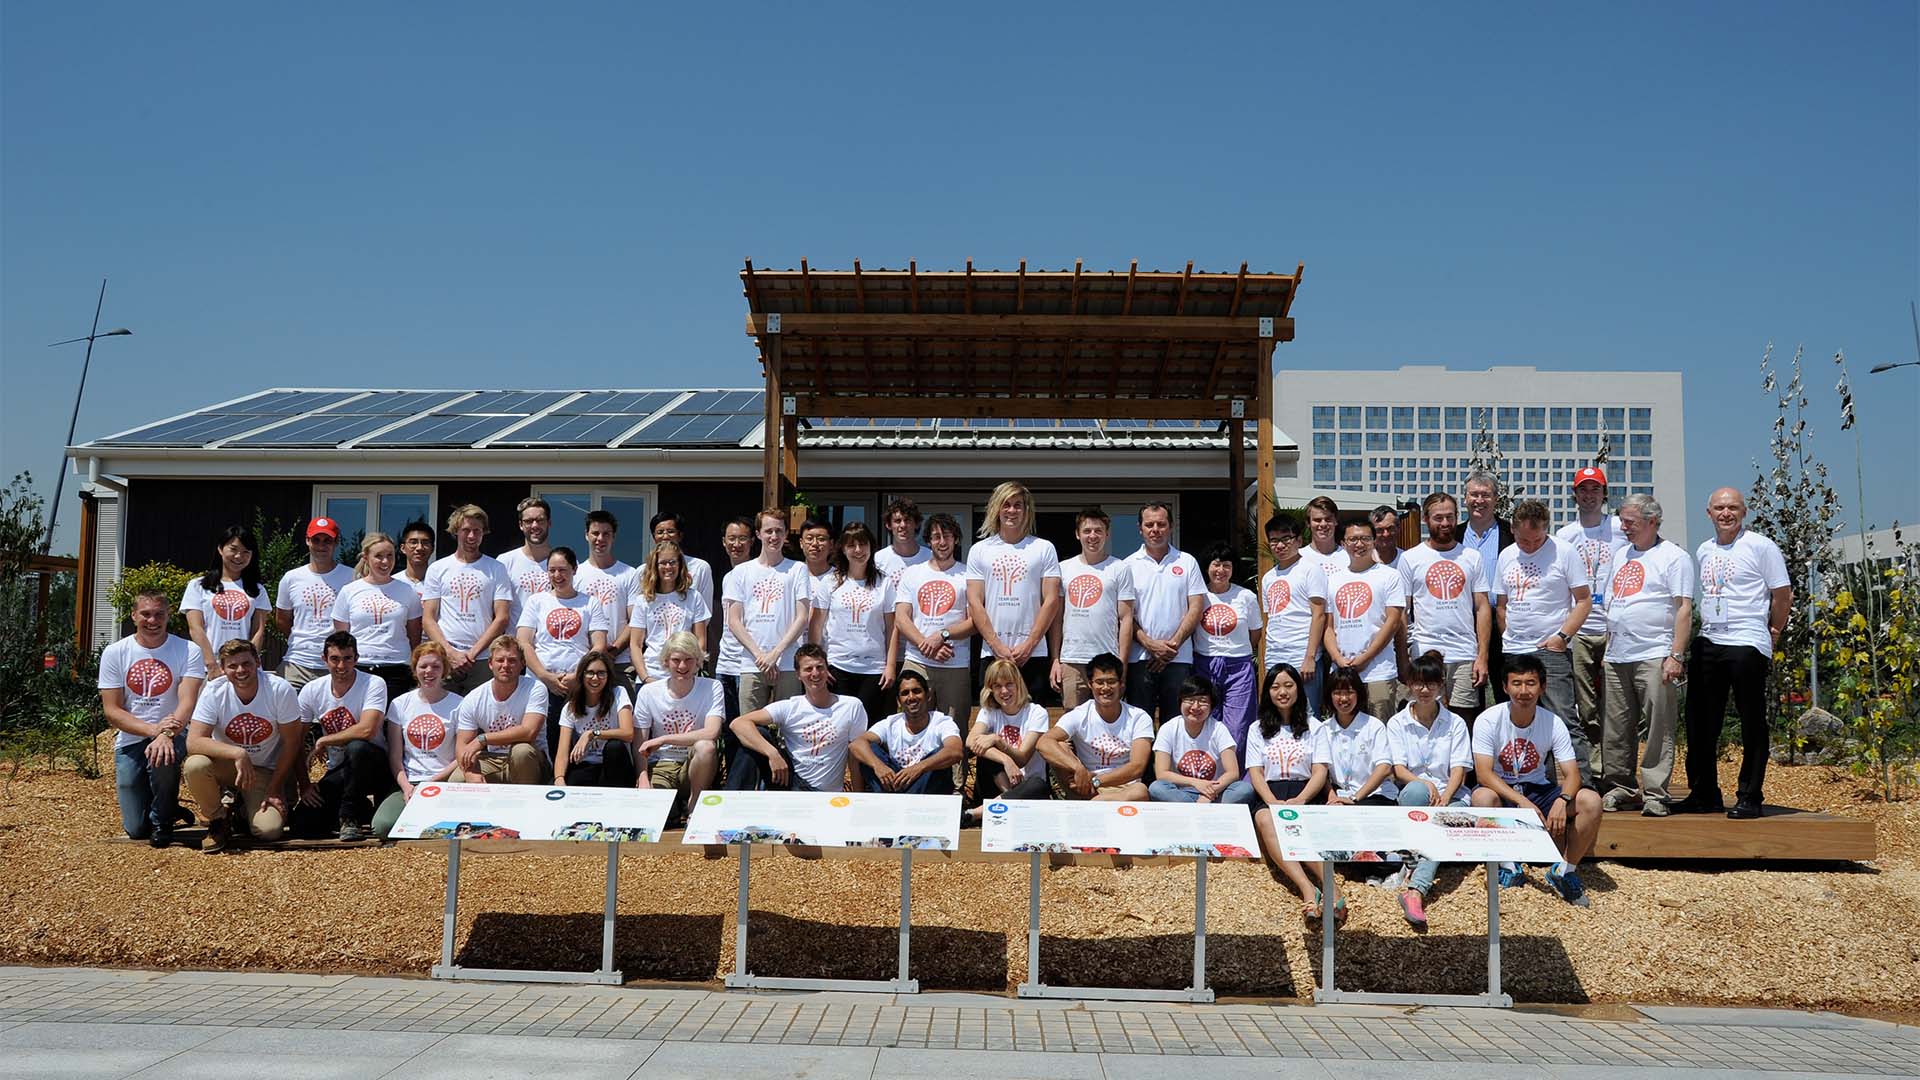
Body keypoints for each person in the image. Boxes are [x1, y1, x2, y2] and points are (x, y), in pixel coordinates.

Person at [1679, 486, 1792, 818]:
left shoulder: (1760, 546)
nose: (1725, 513)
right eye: (1719, 508)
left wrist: (1773, 630)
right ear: (1709, 513)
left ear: (1744, 512)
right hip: (1710, 638)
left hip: (1747, 640)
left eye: (1732, 508)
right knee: (1700, 721)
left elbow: (1782, 593)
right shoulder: (1703, 550)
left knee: (1751, 720)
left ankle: (1750, 795)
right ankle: (1704, 792)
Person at [1471, 653, 1603, 905]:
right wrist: (1521, 801)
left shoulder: (1553, 722)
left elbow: (1572, 773)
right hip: (1503, 789)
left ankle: (1564, 870)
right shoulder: (1488, 720)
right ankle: (1508, 864)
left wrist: (1562, 799)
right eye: (1517, 683)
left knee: (1591, 801)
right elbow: (1484, 773)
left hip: (1539, 789)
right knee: (1481, 796)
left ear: (1542, 687)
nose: (1523, 690)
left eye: (1531, 683)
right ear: (1505, 687)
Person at [1599, 494, 1694, 817]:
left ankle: (1655, 792)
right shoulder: (1621, 555)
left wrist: (1676, 655)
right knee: (1616, 726)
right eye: (1623, 521)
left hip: (1654, 653)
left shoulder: (1673, 557)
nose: (1623, 527)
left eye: (1630, 522)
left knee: (1658, 726)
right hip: (1617, 654)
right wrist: (1608, 647)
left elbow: (1684, 609)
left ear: (1653, 521)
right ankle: (1621, 786)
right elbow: (1612, 604)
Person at [1494, 499, 1595, 785]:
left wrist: (1562, 637)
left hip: (1550, 649)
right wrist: (1507, 634)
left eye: (1537, 539)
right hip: (1514, 649)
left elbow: (1584, 600)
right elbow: (1501, 603)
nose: (1529, 545)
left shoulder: (1564, 552)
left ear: (1546, 530)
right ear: (1512, 530)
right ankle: (1539, 784)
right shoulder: (1506, 556)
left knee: (1563, 717)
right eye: (1524, 539)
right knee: (1522, 720)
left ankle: (1583, 787)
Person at [100, 587, 206, 846]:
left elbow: (188, 701)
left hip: (175, 732)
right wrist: (153, 730)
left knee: (162, 756)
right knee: (136, 829)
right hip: (133, 736)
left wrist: (167, 734)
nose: (152, 620)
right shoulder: (115, 652)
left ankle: (163, 822)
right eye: (145, 614)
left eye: (159, 614)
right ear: (134, 616)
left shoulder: (187, 650)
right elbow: (112, 711)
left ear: (168, 615)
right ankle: (168, 807)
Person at [184, 640, 302, 852]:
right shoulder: (213, 691)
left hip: (264, 770)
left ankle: (239, 810)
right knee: (195, 765)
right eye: (232, 666)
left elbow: (292, 742)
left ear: (257, 662)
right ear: (223, 668)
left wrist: (275, 788)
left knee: (269, 831)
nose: (240, 670)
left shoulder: (279, 690)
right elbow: (193, 742)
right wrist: (237, 753)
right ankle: (217, 820)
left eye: (246, 663)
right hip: (229, 767)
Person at [1387, 650, 1474, 926]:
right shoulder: (1398, 722)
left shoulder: (1455, 723)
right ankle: (1418, 863)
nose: (1424, 690)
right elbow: (1398, 770)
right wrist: (1423, 783)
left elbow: (1459, 769)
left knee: (1445, 820)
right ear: (1410, 685)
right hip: (1415, 792)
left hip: (1451, 795)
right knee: (1415, 793)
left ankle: (1416, 889)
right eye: (1419, 683)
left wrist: (1445, 798)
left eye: (1431, 684)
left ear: (1440, 686)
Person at [1246, 664, 1334, 919]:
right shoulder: (1257, 728)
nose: (1282, 692)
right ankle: (1307, 888)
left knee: (1300, 825)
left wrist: (1301, 799)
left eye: (1288, 685)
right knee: (1265, 818)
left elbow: (1320, 771)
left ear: (1298, 688)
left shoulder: (1315, 726)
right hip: (1271, 792)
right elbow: (1255, 772)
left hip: (1306, 791)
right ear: (1267, 693)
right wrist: (1273, 802)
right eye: (1275, 687)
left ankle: (1332, 888)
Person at [1557, 467, 1628, 777]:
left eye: (1595, 490)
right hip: (1581, 630)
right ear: (1575, 495)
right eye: (1583, 490)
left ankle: (1618, 770)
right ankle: (1595, 768)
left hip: (1614, 627)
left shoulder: (1620, 528)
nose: (1589, 496)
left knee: (1616, 705)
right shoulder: (1564, 535)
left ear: (1604, 494)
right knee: (1585, 706)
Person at [966, 481, 1063, 704]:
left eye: (1018, 505)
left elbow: (1051, 601)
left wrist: (1029, 644)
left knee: (1033, 722)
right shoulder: (980, 550)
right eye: (1006, 504)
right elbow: (974, 602)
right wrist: (996, 645)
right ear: (996, 509)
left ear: (1026, 510)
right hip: (992, 654)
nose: (1012, 510)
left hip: (1033, 654)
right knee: (992, 721)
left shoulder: (1043, 548)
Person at [1399, 493, 1491, 720]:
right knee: (1424, 716)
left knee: (1464, 718)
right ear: (1425, 519)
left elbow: (1482, 607)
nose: (1445, 523)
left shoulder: (1472, 557)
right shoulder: (1411, 558)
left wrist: (1482, 656)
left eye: (1450, 517)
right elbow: (1402, 612)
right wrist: (1403, 658)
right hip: (1424, 652)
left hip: (1464, 653)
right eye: (1438, 518)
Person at [727, 644, 867, 791]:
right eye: (808, 669)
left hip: (823, 791)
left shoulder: (851, 706)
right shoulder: (790, 707)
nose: (815, 673)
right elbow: (738, 723)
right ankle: (733, 801)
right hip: (791, 782)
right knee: (757, 735)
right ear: (798, 674)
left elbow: (856, 753)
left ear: (827, 671)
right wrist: (772, 753)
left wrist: (857, 797)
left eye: (820, 667)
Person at [295, 631, 391, 841]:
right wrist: (305, 785)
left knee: (357, 747)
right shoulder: (312, 690)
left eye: (347, 658)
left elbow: (367, 730)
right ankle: (361, 809)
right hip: (340, 768)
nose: (341, 666)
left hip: (374, 764)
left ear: (356, 658)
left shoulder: (373, 683)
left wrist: (324, 740)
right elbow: (295, 741)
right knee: (301, 824)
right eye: (335, 659)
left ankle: (350, 818)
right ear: (324, 660)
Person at [518, 546, 610, 750]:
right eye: (552, 570)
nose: (557, 575)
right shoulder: (536, 601)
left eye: (563, 570)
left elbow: (599, 644)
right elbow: (524, 642)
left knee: (574, 734)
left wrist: (578, 675)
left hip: (577, 683)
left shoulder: (590, 603)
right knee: (546, 735)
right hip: (541, 683)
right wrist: (545, 676)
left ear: (574, 569)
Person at [721, 508, 814, 712]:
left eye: (779, 531)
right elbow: (734, 621)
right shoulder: (741, 572)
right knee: (749, 726)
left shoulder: (798, 569)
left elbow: (802, 616)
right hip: (751, 663)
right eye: (769, 531)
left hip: (788, 661)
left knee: (788, 726)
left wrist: (775, 653)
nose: (774, 537)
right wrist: (760, 655)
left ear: (786, 533)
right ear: (758, 534)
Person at [371, 642, 464, 840]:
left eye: (436, 666)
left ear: (444, 670)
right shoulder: (400, 704)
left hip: (443, 779)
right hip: (410, 780)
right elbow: (395, 755)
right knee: (382, 826)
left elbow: (460, 755)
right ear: (415, 669)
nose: (429, 671)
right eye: (423, 666)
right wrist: (407, 787)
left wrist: (431, 783)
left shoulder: (459, 704)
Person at [1124, 501, 1206, 726]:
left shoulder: (1187, 562)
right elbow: (1125, 615)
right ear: (1140, 528)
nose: (1155, 530)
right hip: (1140, 658)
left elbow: (1196, 607)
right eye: (1149, 524)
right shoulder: (1127, 566)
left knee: (1177, 723)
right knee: (1140, 724)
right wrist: (1149, 644)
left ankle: (1170, 764)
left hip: (1179, 658)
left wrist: (1172, 646)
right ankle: (1145, 763)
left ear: (1171, 526)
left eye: (1161, 524)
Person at [809, 520, 896, 727]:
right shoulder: (830, 582)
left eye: (863, 544)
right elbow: (816, 626)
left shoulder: (885, 582)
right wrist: (820, 664)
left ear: (871, 546)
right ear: (843, 549)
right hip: (838, 667)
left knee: (869, 728)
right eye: (851, 545)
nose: (858, 550)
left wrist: (890, 666)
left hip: (874, 670)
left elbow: (893, 628)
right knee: (839, 727)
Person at [421, 504, 515, 694]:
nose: (472, 536)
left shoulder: (496, 568)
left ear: (483, 533)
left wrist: (472, 654)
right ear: (456, 531)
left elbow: (502, 617)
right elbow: (428, 618)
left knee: (480, 719)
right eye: (466, 530)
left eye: (477, 531)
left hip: (481, 660)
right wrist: (450, 652)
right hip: (445, 658)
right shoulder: (438, 568)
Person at [1035, 652, 1152, 801]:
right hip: (1084, 787)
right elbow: (1043, 743)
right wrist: (1078, 768)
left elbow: (1137, 766)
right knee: (1060, 745)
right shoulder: (1081, 713)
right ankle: (1091, 801)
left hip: (1123, 787)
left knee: (1140, 790)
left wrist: (1096, 780)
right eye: (1100, 682)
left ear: (1121, 684)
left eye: (1111, 681)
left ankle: (1096, 804)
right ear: (1090, 684)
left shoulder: (1138, 717)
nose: (1105, 688)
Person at [1051, 507, 1136, 710]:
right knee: (1073, 724)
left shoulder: (1120, 568)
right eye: (1087, 531)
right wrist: (1055, 659)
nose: (1093, 536)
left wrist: (1121, 664)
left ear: (1107, 534)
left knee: (1108, 719)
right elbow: (1057, 618)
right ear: (1077, 534)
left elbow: (1125, 619)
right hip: (1071, 659)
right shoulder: (1063, 568)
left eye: (1098, 531)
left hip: (1107, 659)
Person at [894, 512, 976, 720]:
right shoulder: (912, 573)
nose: (942, 542)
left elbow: (975, 622)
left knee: (956, 727)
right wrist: (926, 645)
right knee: (912, 722)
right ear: (929, 541)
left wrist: (942, 635)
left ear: (956, 539)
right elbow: (902, 618)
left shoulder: (968, 575)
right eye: (936, 536)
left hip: (955, 663)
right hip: (916, 661)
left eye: (947, 536)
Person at [1323, 521, 1407, 720]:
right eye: (1352, 539)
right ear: (1343, 543)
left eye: (1365, 539)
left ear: (1373, 541)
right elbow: (1327, 626)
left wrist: (1365, 657)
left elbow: (1393, 622)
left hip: (1378, 671)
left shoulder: (1390, 576)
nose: (1358, 544)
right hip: (1341, 671)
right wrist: (1337, 659)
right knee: (1344, 731)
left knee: (1380, 731)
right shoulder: (1333, 579)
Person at [632, 631, 725, 807]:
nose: (682, 666)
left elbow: (712, 732)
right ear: (666, 661)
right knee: (656, 810)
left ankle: (695, 804)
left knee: (706, 746)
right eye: (676, 660)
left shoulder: (712, 687)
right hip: (661, 765)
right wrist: (642, 776)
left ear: (698, 661)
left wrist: (664, 738)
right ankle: (674, 807)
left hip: (695, 766)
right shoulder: (648, 692)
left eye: (689, 659)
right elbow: (640, 741)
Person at [331, 532, 423, 695]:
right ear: (366, 557)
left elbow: (414, 636)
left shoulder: (408, 591)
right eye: (379, 556)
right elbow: (342, 637)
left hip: (397, 669)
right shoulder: (349, 591)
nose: (385, 561)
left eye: (390, 555)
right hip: (360, 668)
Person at [1192, 543, 1262, 757]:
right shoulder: (1198, 595)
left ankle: (1236, 778)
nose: (1220, 570)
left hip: (1238, 666)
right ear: (1207, 567)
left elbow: (1255, 633)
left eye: (1226, 565)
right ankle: (1209, 773)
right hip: (1205, 663)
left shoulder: (1246, 596)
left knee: (1238, 725)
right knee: (1206, 720)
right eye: (1216, 564)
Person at [451, 636, 550, 784]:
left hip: (531, 761)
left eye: (512, 660)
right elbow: (462, 745)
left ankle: (527, 804)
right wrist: (471, 773)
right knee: (457, 779)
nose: (505, 665)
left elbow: (529, 732)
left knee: (521, 751)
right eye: (500, 660)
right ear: (490, 664)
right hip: (492, 759)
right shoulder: (474, 698)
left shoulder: (535, 689)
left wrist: (483, 739)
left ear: (523, 664)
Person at [1259, 513, 1328, 718]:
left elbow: (1319, 615)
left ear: (1299, 540)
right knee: (1277, 713)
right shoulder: (1268, 577)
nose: (1279, 545)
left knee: (1307, 713)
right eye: (1274, 540)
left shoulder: (1310, 570)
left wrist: (1309, 657)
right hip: (1275, 653)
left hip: (1302, 654)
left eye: (1285, 539)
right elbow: (1269, 619)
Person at [1148, 675, 1256, 805]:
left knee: (1244, 789)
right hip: (1180, 792)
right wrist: (1196, 783)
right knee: (1156, 788)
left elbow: (1233, 773)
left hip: (1215, 792)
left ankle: (1192, 810)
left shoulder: (1218, 729)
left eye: (1203, 701)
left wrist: (1209, 794)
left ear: (1211, 705)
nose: (1195, 706)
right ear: (1180, 702)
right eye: (1190, 700)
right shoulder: (1168, 728)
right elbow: (1162, 774)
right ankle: (1201, 809)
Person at [851, 669, 963, 794]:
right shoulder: (891, 723)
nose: (911, 697)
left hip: (926, 787)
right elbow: (856, 744)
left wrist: (919, 768)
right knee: (868, 749)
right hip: (895, 782)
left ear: (928, 696)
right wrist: (878, 766)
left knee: (939, 758)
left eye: (917, 691)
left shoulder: (942, 722)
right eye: (905, 693)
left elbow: (955, 751)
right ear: (899, 701)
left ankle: (896, 800)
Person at [274, 517, 354, 689]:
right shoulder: (291, 578)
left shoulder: (351, 577)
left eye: (327, 541)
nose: (321, 546)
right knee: (289, 715)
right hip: (297, 663)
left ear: (336, 542)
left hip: (337, 665)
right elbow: (282, 620)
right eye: (316, 540)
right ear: (307, 541)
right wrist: (302, 639)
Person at [180, 525, 270, 675]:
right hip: (207, 668)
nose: (238, 556)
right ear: (221, 549)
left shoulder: (258, 590)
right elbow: (195, 628)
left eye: (245, 552)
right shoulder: (198, 585)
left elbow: (258, 631)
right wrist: (211, 664)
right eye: (233, 549)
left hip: (243, 670)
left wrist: (249, 663)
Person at [1461, 471, 1516, 714]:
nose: (1479, 500)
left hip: (1503, 620)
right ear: (1465, 498)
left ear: (1496, 499)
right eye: (1474, 494)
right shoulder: (1453, 534)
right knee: (1469, 693)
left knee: (1507, 689)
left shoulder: (1512, 534)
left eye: (1485, 495)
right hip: (1464, 622)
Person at [965, 658, 1053, 806]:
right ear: (990, 690)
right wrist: (1005, 760)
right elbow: (970, 741)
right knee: (984, 750)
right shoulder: (989, 711)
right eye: (997, 686)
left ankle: (977, 813)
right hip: (998, 785)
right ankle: (1010, 800)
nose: (1004, 691)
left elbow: (1022, 758)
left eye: (1009, 684)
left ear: (1019, 684)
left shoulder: (1036, 712)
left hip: (1028, 786)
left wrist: (998, 741)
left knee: (1038, 785)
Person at [629, 540, 712, 684]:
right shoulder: (644, 600)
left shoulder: (693, 597)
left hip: (684, 674)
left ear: (680, 565)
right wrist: (645, 678)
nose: (668, 567)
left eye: (673, 562)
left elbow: (700, 640)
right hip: (652, 674)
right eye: (663, 562)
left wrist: (691, 671)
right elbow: (635, 644)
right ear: (655, 565)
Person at [553, 650, 638, 788]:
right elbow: (562, 752)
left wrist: (592, 734)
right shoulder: (570, 707)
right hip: (586, 765)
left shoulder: (619, 693)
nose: (595, 678)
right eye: (590, 672)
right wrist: (559, 779)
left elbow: (628, 733)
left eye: (601, 673)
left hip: (615, 766)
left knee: (614, 746)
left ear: (608, 675)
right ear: (582, 675)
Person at [1315, 666, 1398, 805]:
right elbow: (1320, 770)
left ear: (1359, 694)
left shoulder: (1374, 726)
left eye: (1349, 692)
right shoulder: (1324, 729)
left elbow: (1384, 768)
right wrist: (1332, 797)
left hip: (1375, 795)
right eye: (1337, 693)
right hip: (1339, 795)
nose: (1343, 698)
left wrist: (1355, 798)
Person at [575, 510, 636, 670]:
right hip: (581, 662)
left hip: (620, 662)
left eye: (606, 534)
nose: (600, 539)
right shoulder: (575, 574)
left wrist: (613, 651)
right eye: (595, 533)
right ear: (586, 535)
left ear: (613, 537)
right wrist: (591, 656)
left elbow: (635, 620)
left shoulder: (630, 574)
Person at [713, 515, 757, 720]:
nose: (736, 544)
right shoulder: (727, 577)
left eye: (742, 539)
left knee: (748, 726)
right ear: (723, 541)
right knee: (728, 728)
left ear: (752, 541)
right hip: (725, 662)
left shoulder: (758, 574)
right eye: (731, 538)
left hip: (749, 663)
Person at [1370, 505, 1415, 688]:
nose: (1386, 534)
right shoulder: (1363, 561)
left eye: (1390, 528)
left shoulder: (1409, 559)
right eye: (1380, 530)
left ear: (1398, 528)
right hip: (1373, 643)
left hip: (1406, 641)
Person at [498, 495, 554, 627]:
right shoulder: (504, 562)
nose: (535, 525)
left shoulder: (564, 561)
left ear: (549, 523)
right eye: (529, 521)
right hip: (515, 643)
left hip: (551, 645)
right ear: (521, 525)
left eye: (540, 520)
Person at [650, 512, 715, 619]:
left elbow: (705, 613)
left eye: (670, 531)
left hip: (687, 634)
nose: (665, 536)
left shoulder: (700, 567)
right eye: (660, 532)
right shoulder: (643, 571)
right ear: (654, 537)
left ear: (680, 536)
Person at [873, 497, 932, 593]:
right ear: (888, 525)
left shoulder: (930, 557)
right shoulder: (878, 560)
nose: (903, 525)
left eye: (907, 520)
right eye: (897, 521)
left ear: (916, 524)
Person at [1301, 496, 1348, 581]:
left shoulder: (1349, 557)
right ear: (1308, 523)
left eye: (1328, 519)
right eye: (1317, 520)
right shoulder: (1298, 557)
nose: (1323, 524)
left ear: (1336, 521)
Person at [797, 517, 837, 599]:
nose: (815, 544)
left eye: (821, 539)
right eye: (809, 539)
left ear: (831, 544)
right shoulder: (793, 576)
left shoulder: (840, 579)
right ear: (801, 543)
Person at [397, 519, 436, 598]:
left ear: (432, 548)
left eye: (425, 542)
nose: (419, 548)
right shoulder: (394, 582)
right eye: (413, 542)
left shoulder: (438, 582)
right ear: (403, 548)